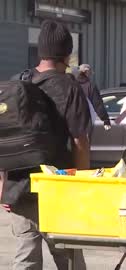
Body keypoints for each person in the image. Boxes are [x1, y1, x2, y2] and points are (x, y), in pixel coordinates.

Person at [6, 20, 91, 270]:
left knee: (26, 256)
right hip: (57, 184)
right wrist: (83, 184)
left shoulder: (17, 83)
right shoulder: (69, 87)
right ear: (67, 54)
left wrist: (3, 186)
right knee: (68, 256)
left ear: (40, 51)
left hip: (19, 185)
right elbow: (80, 141)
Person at [72, 64, 111, 138]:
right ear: (86, 72)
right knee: (84, 145)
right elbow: (97, 104)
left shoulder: (71, 84)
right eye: (89, 73)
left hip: (71, 120)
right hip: (85, 121)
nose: (90, 75)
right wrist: (105, 119)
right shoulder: (90, 85)